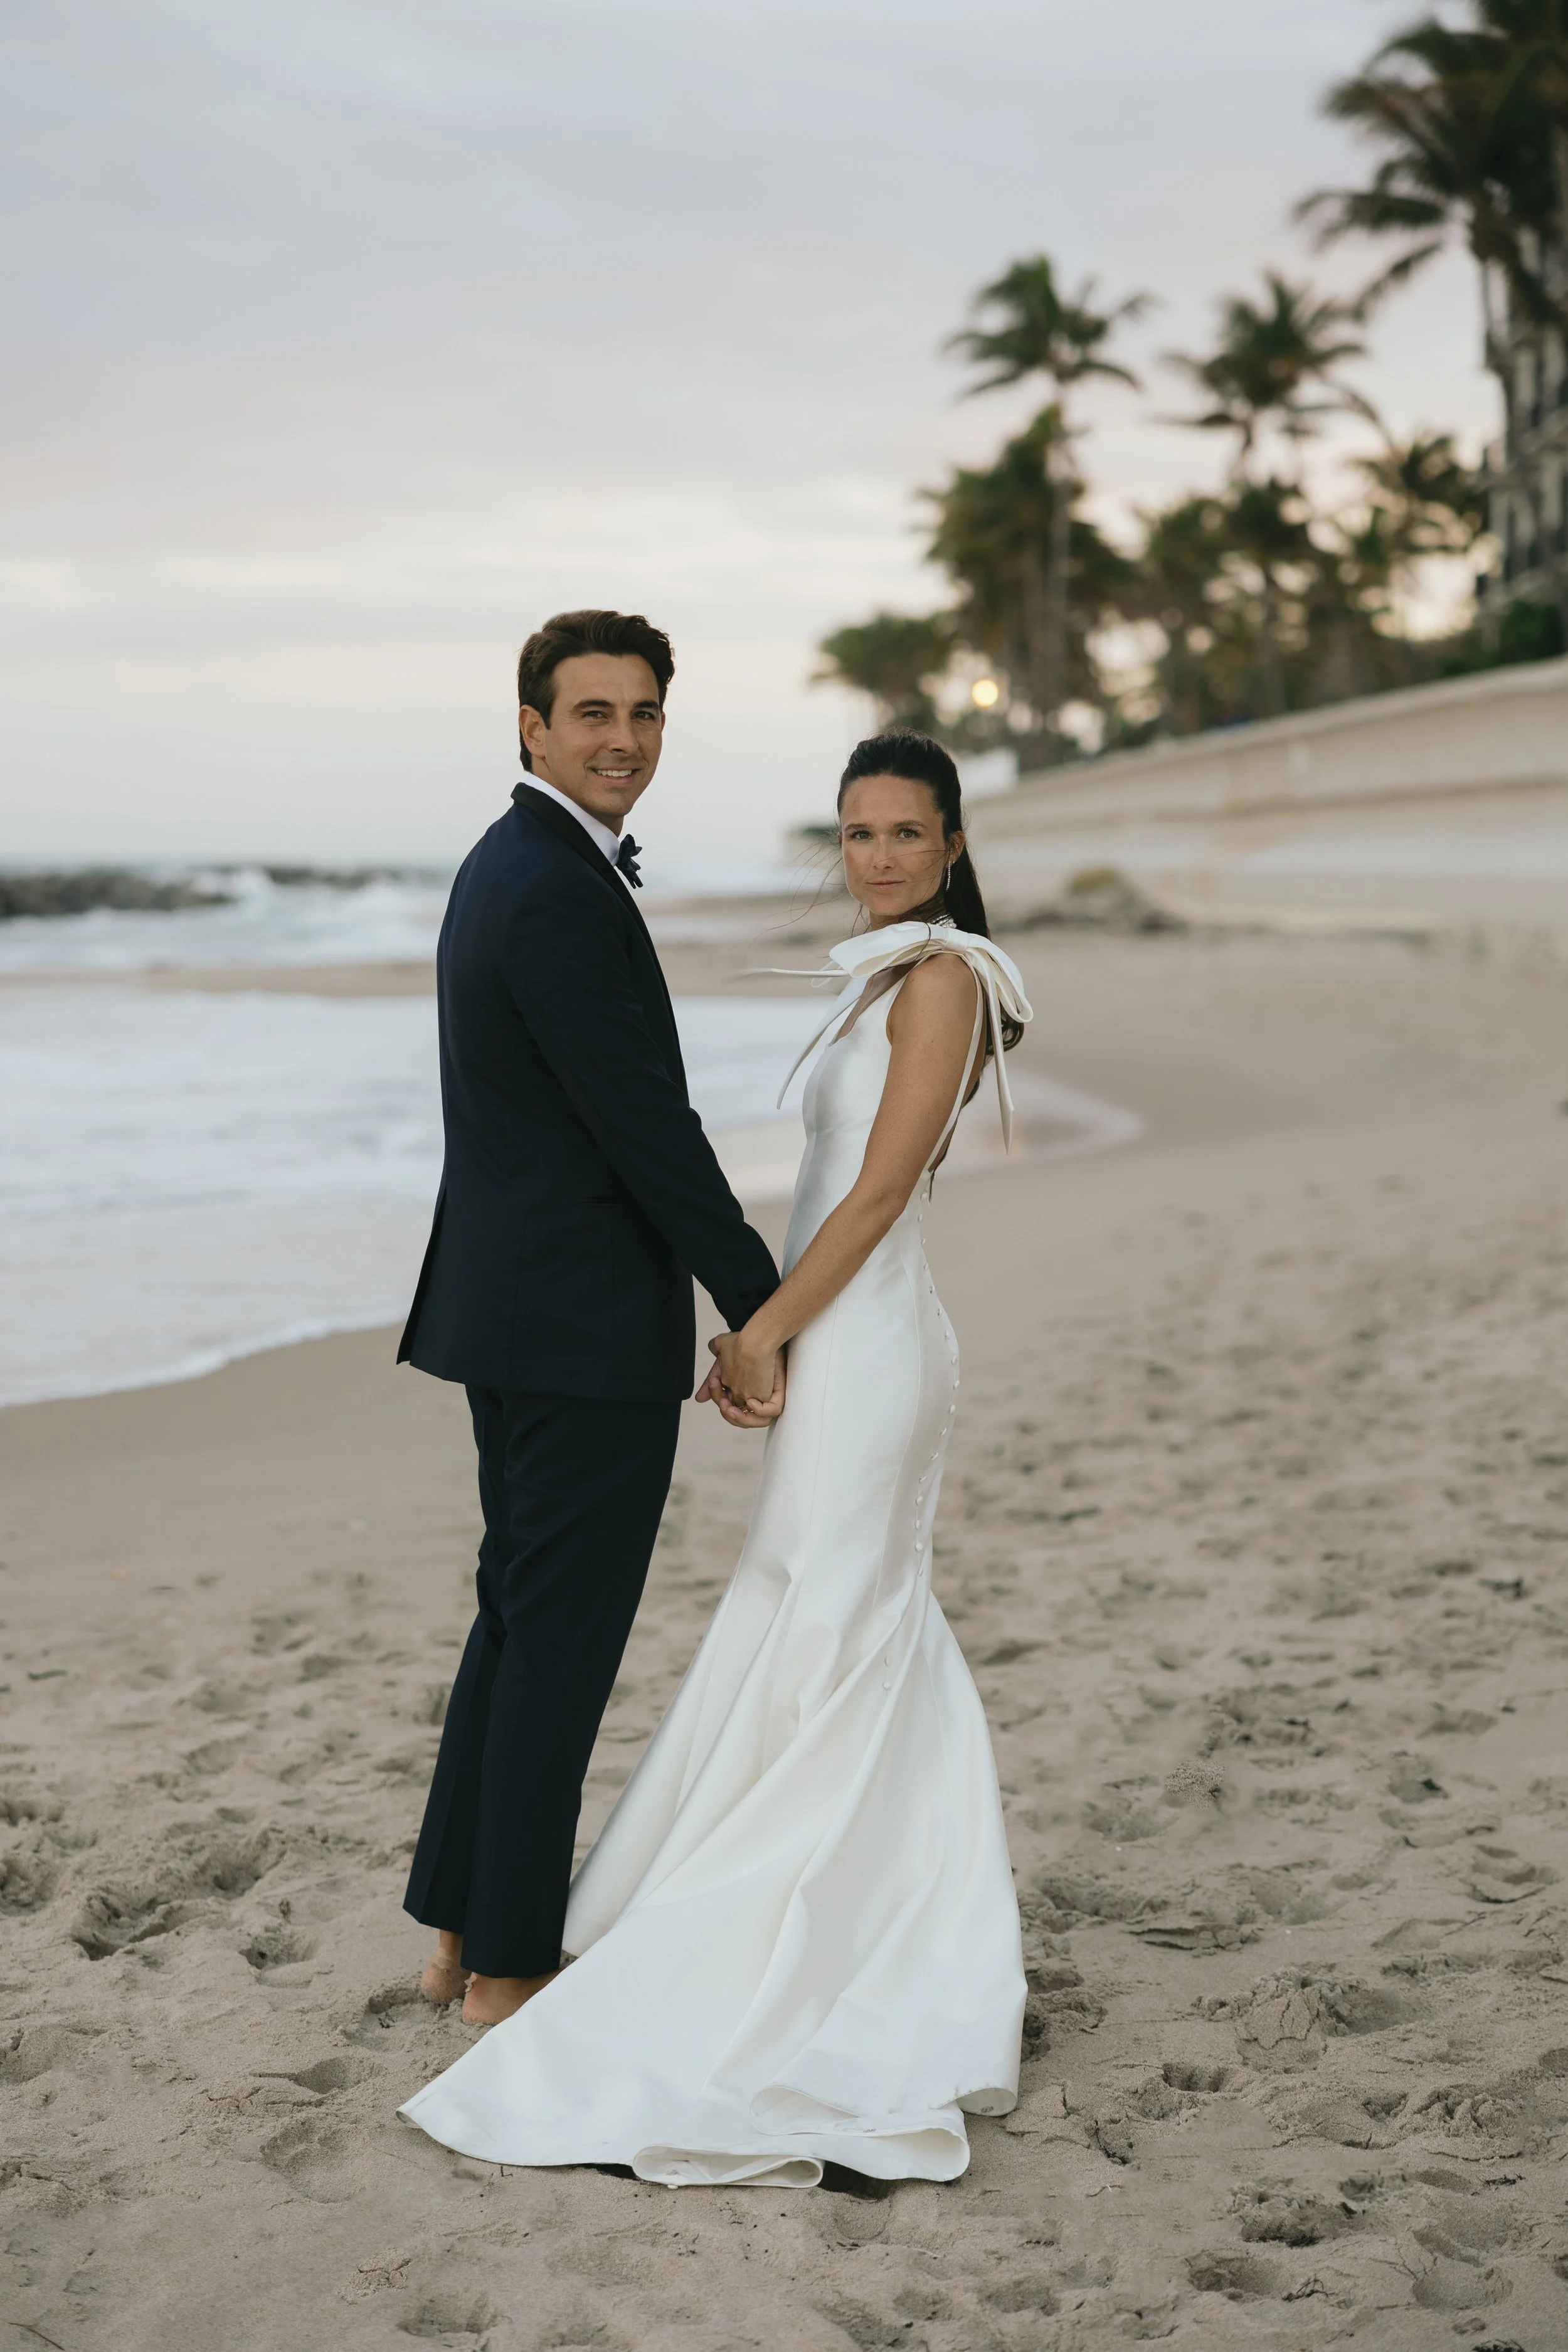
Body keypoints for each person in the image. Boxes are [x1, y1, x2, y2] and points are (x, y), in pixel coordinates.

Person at [400, 729, 1033, 2186]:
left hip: (859, 1341)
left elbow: (874, 1194)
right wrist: (769, 1323)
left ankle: (854, 1921)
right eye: (857, 832)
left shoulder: (943, 979)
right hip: (819, 1330)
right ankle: (802, 1896)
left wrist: (761, 1326)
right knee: (809, 1607)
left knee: (838, 1611)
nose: (878, 856)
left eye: (905, 834)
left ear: (952, 845)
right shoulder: (879, 967)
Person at [398, 608, 782, 2028]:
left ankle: (454, 1939)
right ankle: (508, 1972)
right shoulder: (551, 884)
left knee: (514, 1626)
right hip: (572, 1330)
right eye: (593, 715)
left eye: (644, 715)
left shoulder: (516, 862)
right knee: (555, 1648)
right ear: (531, 727)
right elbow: (642, 1129)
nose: (622, 741)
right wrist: (765, 1303)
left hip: (515, 1311)